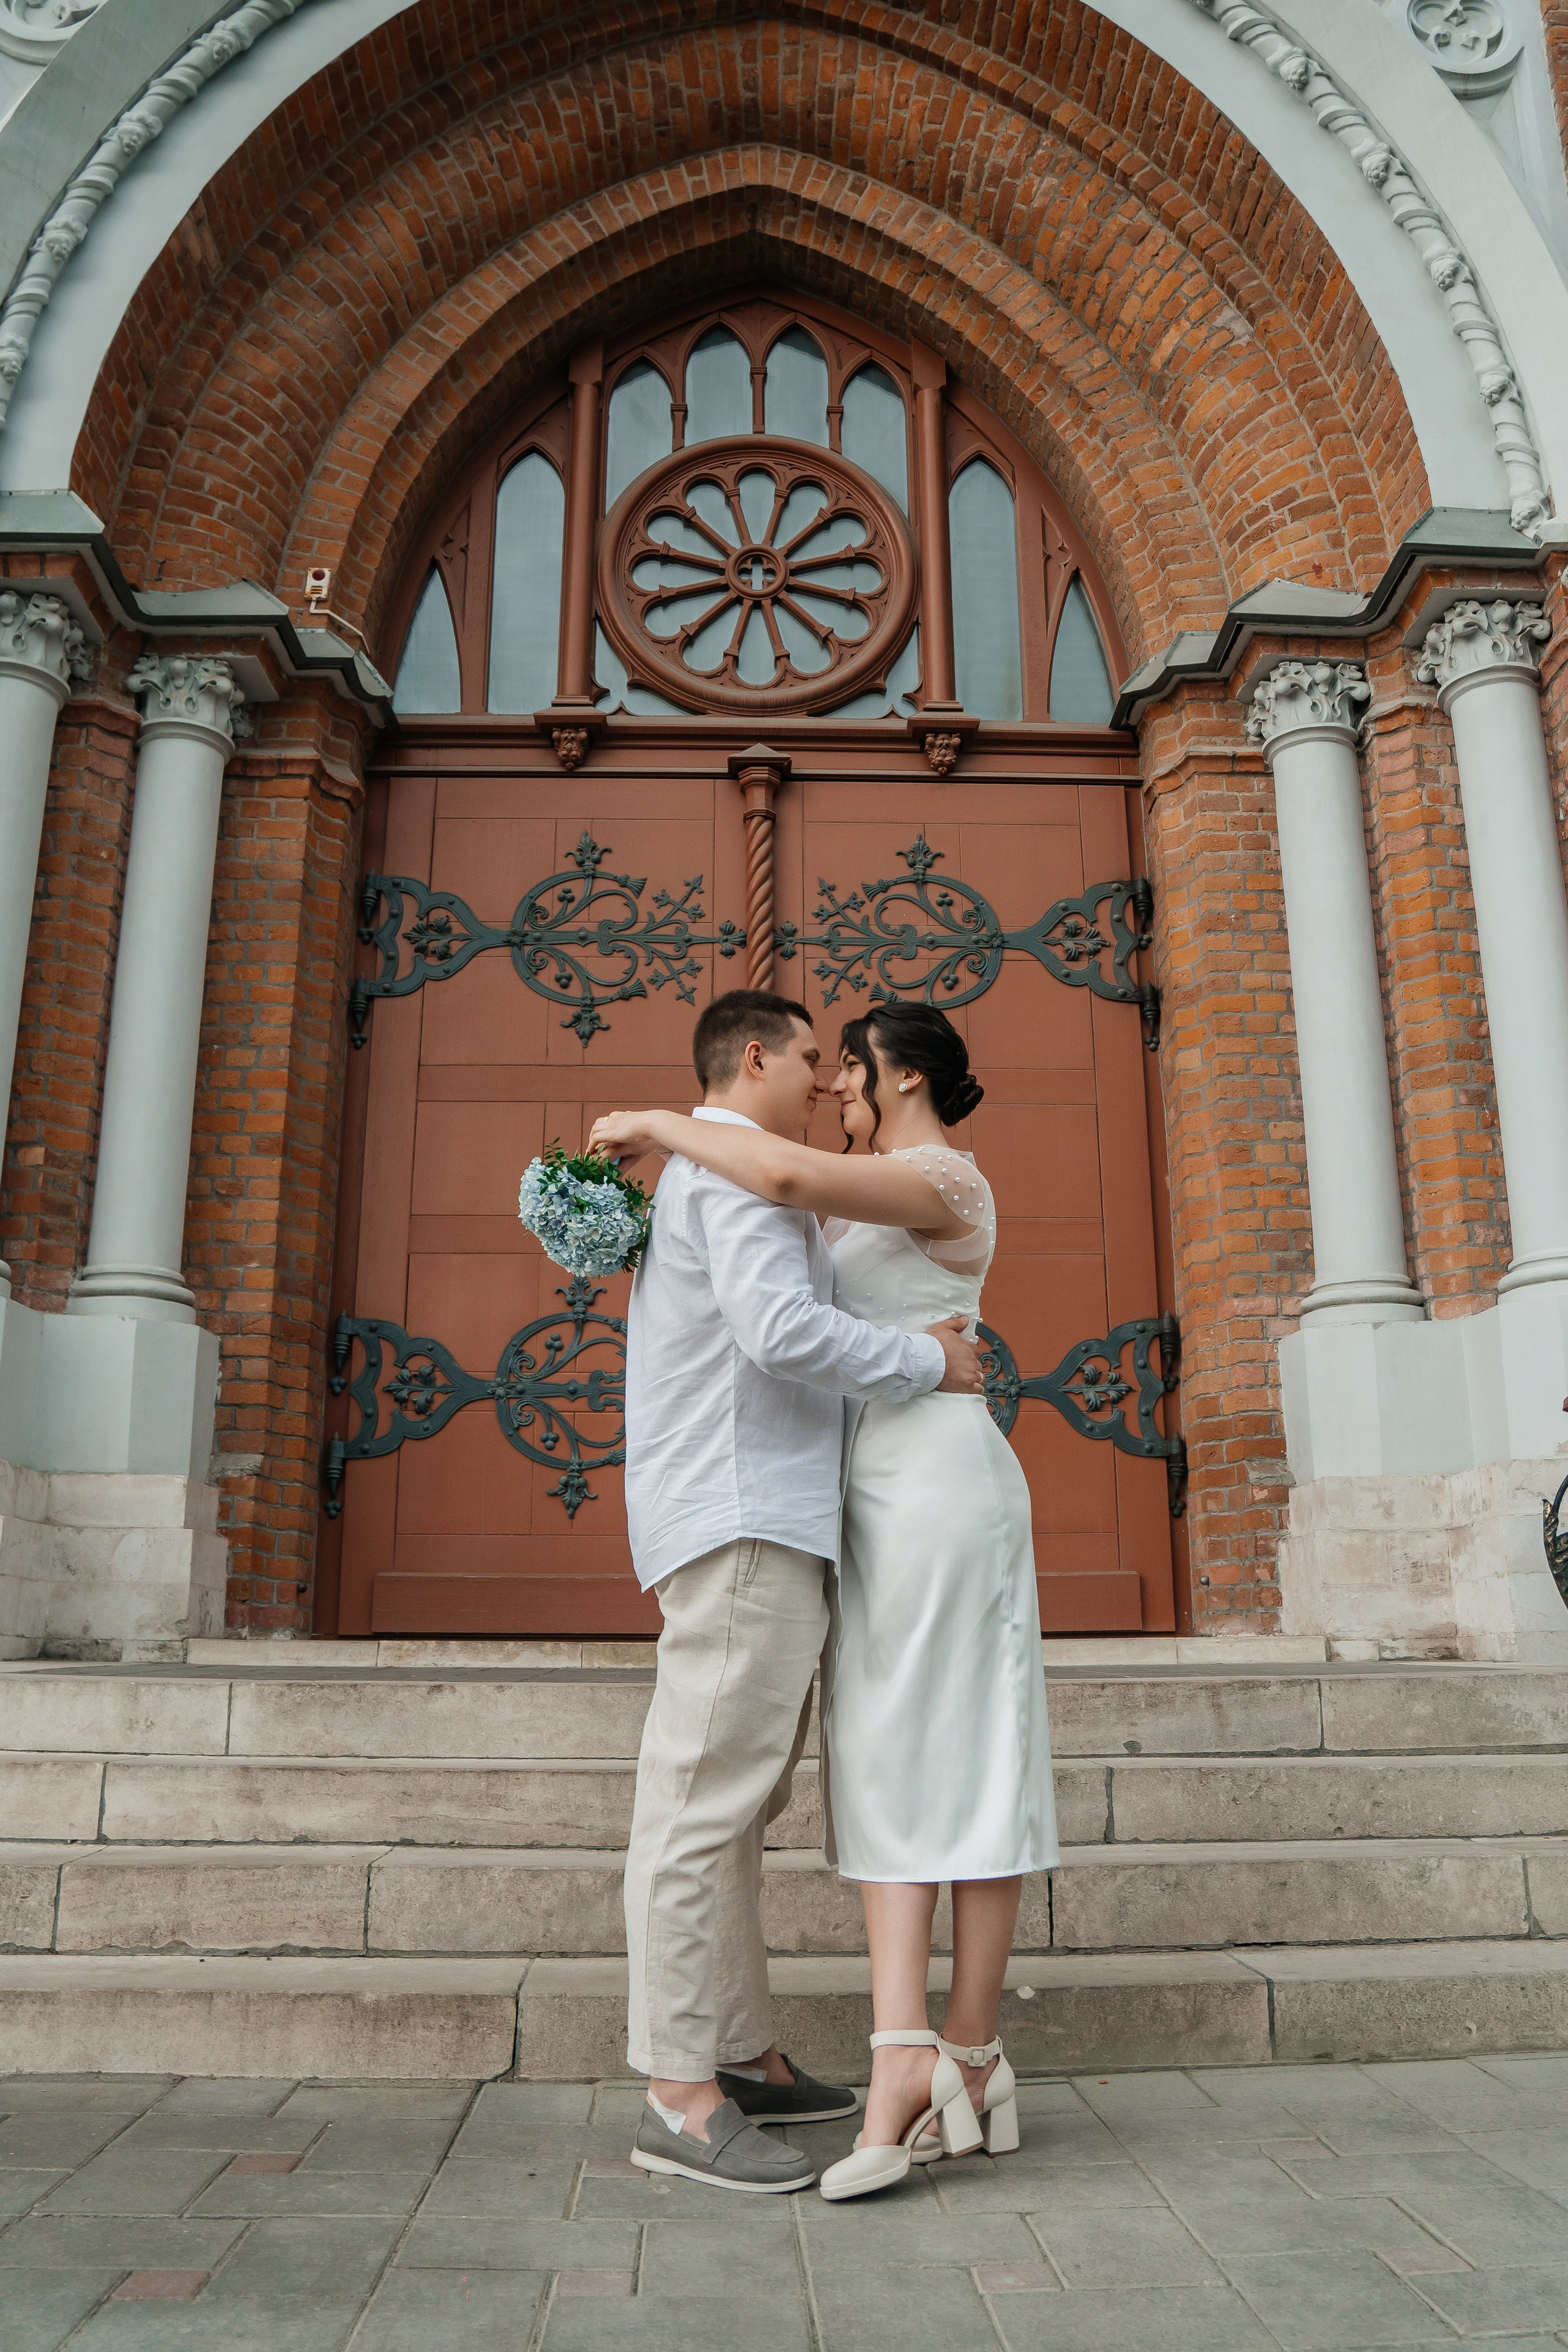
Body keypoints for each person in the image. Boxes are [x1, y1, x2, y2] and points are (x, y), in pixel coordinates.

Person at [592, 1000, 1058, 2204]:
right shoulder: (759, 1173)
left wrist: (662, 1121)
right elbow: (773, 1284)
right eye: (813, 1062)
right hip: (823, 1499)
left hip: (921, 1487)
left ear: (896, 1073)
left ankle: (941, 2045)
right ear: (759, 1059)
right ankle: (716, 2080)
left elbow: (786, 1178)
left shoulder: (931, 1175)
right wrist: (679, 1124)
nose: (827, 1086)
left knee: (898, 1755)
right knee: (818, 1772)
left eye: (843, 1068)